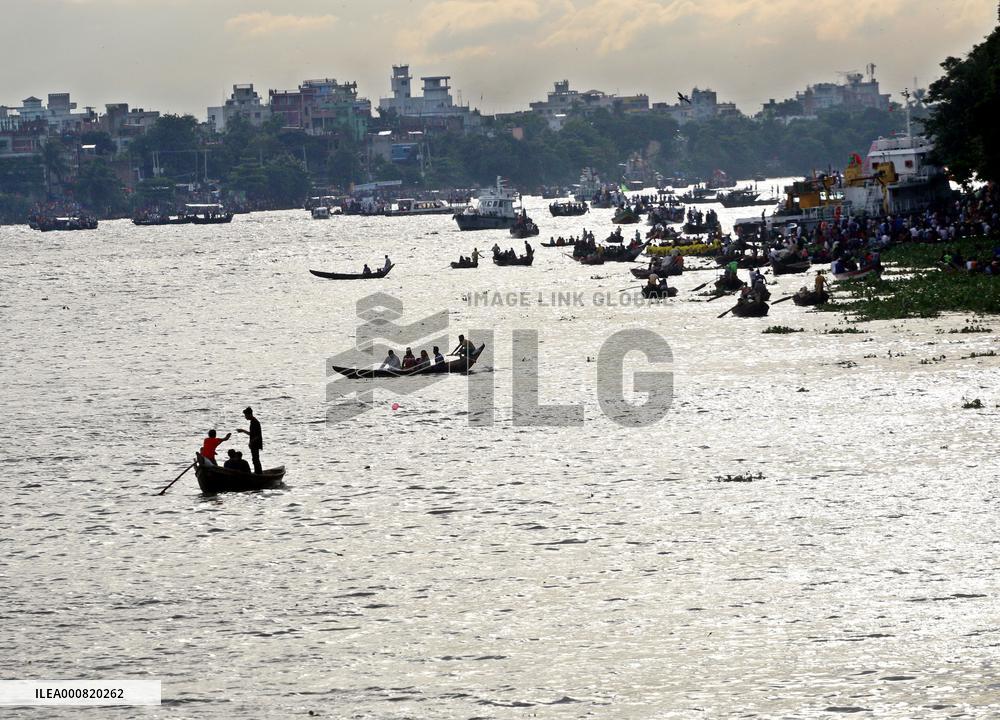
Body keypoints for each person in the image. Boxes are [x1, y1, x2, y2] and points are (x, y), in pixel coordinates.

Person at [236, 407, 264, 474]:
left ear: (249, 414)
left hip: (255, 444)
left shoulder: (255, 422)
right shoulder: (253, 422)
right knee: (255, 459)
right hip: (254, 443)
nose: (245, 417)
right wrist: (242, 431)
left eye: (245, 415)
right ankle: (258, 472)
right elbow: (252, 434)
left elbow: (257, 436)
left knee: (255, 459)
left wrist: (251, 442)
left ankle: (258, 473)